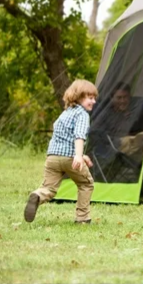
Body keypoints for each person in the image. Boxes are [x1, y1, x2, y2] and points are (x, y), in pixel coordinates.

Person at [23, 79, 98, 225]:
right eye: (90, 98)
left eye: (94, 98)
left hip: (52, 158)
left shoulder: (65, 113)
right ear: (79, 96)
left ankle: (37, 195)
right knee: (86, 184)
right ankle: (82, 218)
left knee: (49, 189)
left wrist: (81, 155)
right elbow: (79, 136)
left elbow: (65, 138)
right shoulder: (82, 114)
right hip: (70, 158)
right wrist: (77, 155)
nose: (93, 101)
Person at [91, 82, 143, 203]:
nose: (123, 101)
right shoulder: (106, 114)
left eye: (125, 97)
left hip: (141, 145)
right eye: (119, 98)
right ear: (112, 98)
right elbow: (97, 134)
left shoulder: (137, 112)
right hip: (120, 146)